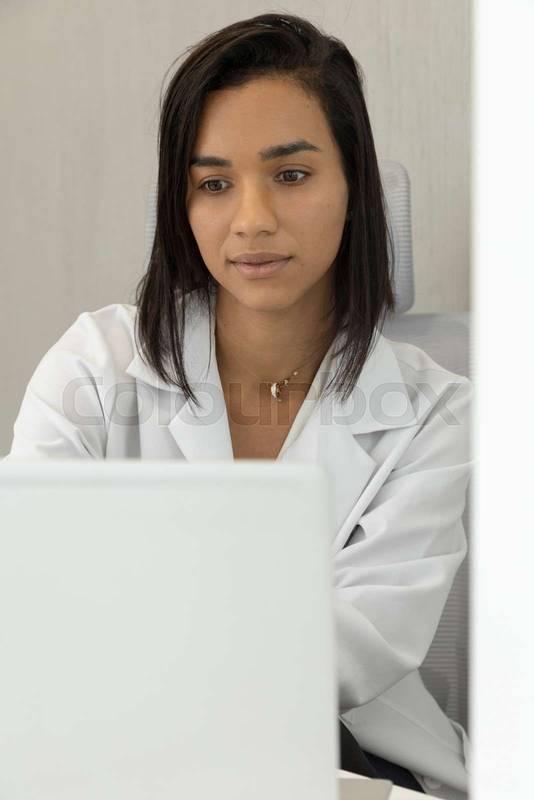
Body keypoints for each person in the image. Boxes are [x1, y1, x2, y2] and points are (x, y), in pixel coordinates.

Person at [5, 13, 473, 799]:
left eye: (290, 175)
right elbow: (30, 588)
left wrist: (139, 655)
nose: (251, 220)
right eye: (214, 183)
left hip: (344, 756)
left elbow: (357, 650)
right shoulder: (94, 367)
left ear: (353, 185)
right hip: (107, 748)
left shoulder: (434, 409)